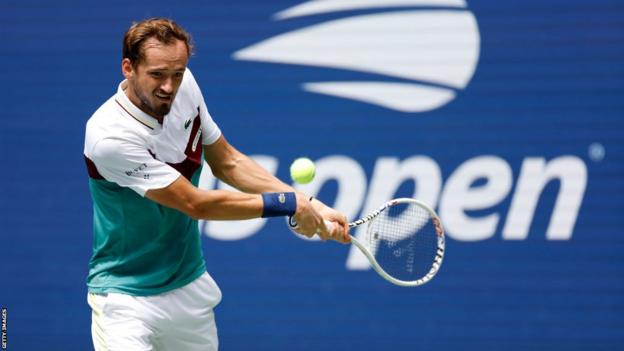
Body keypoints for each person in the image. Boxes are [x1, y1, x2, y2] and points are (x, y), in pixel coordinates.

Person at [83, 17, 350, 351]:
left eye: (177, 73)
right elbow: (196, 204)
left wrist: (312, 204)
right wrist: (287, 204)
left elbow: (228, 162)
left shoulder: (186, 87)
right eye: (157, 75)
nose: (169, 86)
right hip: (126, 300)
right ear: (128, 68)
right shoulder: (110, 136)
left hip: (188, 288)